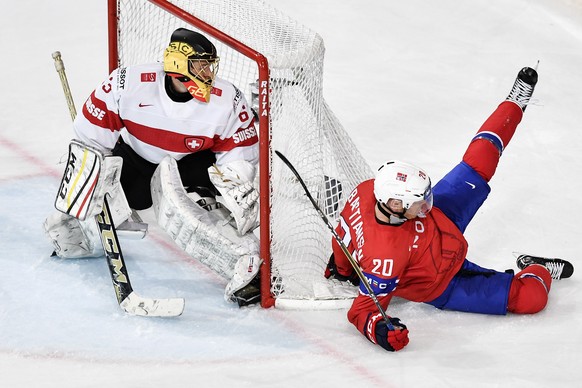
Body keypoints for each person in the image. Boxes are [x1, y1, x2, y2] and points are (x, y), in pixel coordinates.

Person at [324, 66, 574, 351]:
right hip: (443, 282)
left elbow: (342, 237)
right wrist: (380, 330)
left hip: (441, 224)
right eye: (419, 200)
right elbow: (360, 311)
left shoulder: (369, 189)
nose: (424, 203)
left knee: (480, 160)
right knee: (531, 299)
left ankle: (514, 102)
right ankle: (536, 267)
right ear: (395, 204)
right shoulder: (385, 261)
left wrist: (343, 268)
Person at [44, 28, 262, 306]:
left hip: (191, 165)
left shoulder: (226, 98)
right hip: (134, 160)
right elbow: (90, 136)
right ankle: (86, 228)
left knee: (205, 208)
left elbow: (238, 152)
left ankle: (243, 265)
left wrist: (233, 180)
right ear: (178, 66)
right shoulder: (129, 83)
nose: (208, 72)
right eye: (200, 64)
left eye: (209, 64)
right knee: (72, 228)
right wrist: (93, 176)